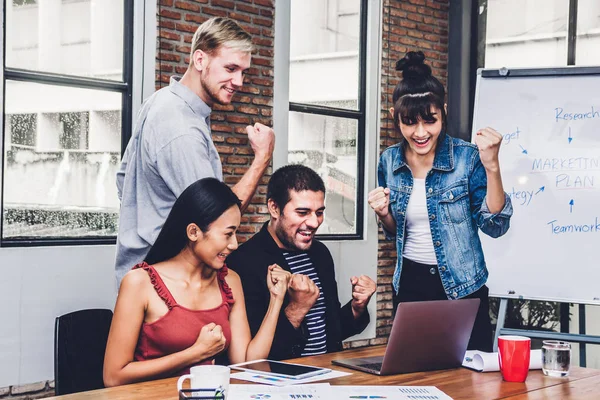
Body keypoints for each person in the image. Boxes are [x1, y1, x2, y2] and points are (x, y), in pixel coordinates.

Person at [368, 51, 513, 352]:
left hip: (463, 287)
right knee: (413, 380)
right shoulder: (388, 162)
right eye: (409, 123)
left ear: (443, 111)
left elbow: (495, 225)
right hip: (409, 286)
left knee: (469, 385)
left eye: (430, 121)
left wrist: (493, 166)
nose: (420, 133)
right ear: (396, 118)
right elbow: (396, 232)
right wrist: (383, 214)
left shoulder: (467, 158)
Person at [115, 17, 275, 286]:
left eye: (243, 72)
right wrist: (262, 158)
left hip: (148, 275)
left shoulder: (162, 100)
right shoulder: (182, 129)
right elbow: (218, 220)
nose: (239, 81)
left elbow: (122, 181)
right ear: (200, 60)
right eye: (231, 68)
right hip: (165, 284)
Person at [103, 178, 291, 386]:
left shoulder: (230, 281)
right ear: (193, 232)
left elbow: (246, 364)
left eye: (236, 233)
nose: (234, 244)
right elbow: (114, 376)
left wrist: (276, 300)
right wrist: (195, 353)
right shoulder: (139, 283)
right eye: (228, 234)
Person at [227, 165, 377, 360]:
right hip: (280, 382)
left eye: (319, 212)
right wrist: (297, 309)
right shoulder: (244, 262)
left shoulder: (320, 253)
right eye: (303, 212)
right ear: (274, 208)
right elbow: (254, 358)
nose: (314, 223)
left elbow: (331, 332)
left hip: (328, 374)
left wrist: (357, 308)